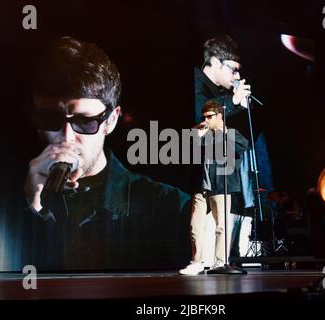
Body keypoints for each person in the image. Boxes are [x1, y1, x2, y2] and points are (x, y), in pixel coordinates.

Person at [22, 36, 190, 271]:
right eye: (50, 119)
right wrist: (34, 208)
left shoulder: (170, 208)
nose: (67, 137)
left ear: (111, 120)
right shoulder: (2, 202)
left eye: (85, 121)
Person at [194, 35, 256, 259]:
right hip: (194, 164)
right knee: (200, 219)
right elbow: (200, 114)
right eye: (233, 70)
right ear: (216, 62)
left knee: (218, 219)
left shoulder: (219, 92)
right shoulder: (197, 82)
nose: (237, 76)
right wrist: (233, 103)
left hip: (217, 167)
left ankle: (217, 261)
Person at [180, 100, 249, 275]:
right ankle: (196, 262)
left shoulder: (230, 134)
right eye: (204, 117)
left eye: (210, 117)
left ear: (219, 116)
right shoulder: (200, 133)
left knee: (222, 225)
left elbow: (243, 146)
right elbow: (189, 148)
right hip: (201, 186)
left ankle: (220, 262)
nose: (206, 120)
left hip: (221, 184)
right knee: (195, 224)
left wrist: (222, 133)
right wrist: (198, 135)